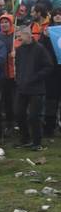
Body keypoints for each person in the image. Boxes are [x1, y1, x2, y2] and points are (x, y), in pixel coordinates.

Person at [15, 26, 54, 151]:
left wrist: (36, 77)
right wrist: (20, 79)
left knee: (34, 116)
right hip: (22, 87)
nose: (19, 38)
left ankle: (36, 142)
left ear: (28, 35)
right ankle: (24, 138)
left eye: (21, 35)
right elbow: (18, 66)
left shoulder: (39, 49)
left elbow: (48, 66)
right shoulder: (20, 50)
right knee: (19, 113)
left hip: (36, 88)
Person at [39, 8, 61, 137]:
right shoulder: (48, 31)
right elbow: (41, 49)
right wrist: (45, 37)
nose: (58, 16)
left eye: (60, 14)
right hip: (52, 71)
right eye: (55, 14)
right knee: (51, 100)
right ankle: (49, 127)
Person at [0, 14, 17, 133]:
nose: (4, 24)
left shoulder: (16, 35)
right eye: (2, 22)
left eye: (6, 22)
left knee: (18, 99)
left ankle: (19, 121)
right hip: (3, 72)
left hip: (16, 72)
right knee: (6, 98)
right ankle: (9, 122)